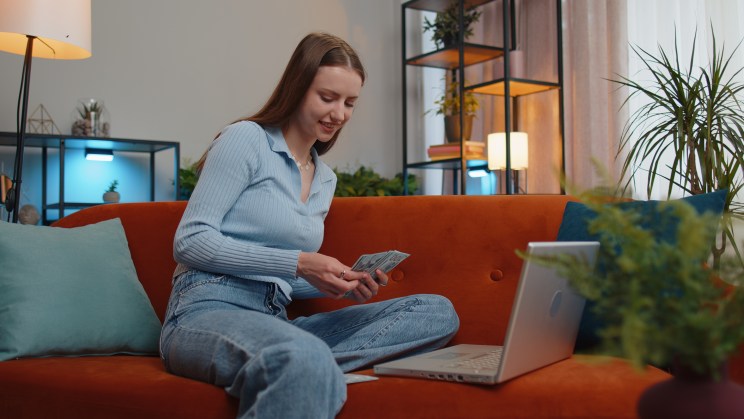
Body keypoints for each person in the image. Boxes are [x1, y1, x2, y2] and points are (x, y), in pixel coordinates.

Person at [159, 32, 459, 418]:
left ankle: (298, 367)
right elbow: (190, 242)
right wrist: (299, 262)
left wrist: (340, 284)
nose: (339, 114)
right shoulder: (246, 140)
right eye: (327, 97)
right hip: (206, 309)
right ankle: (301, 364)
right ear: (297, 88)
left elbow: (288, 276)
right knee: (301, 354)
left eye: (350, 103)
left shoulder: (325, 179)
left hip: (275, 321)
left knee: (436, 312)